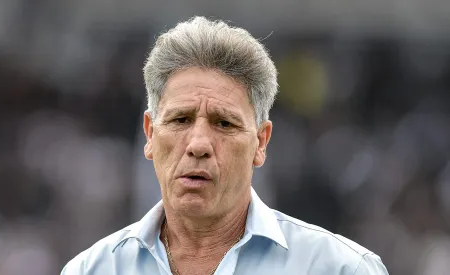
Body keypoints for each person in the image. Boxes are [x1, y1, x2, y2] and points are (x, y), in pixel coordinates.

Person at [61, 16, 389, 275]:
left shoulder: (342, 269)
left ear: (261, 143)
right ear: (150, 134)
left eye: (224, 123)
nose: (199, 145)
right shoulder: (91, 270)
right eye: (180, 120)